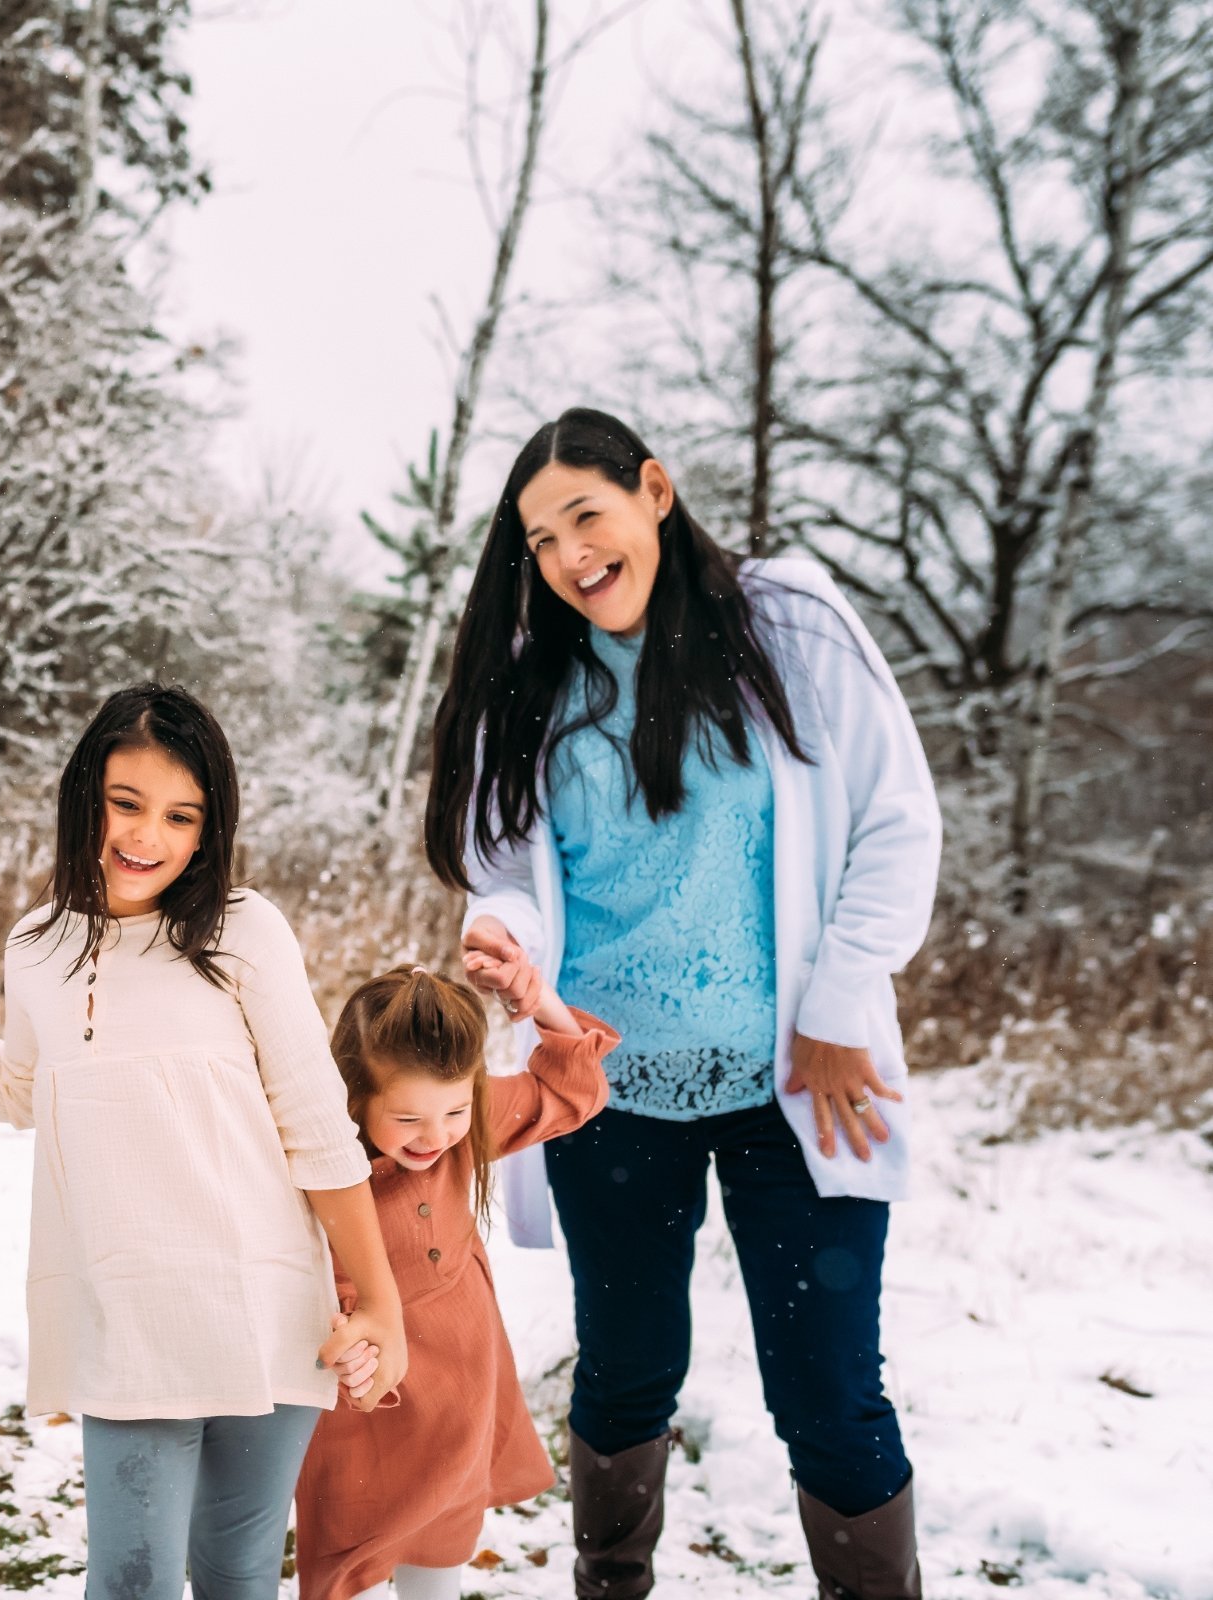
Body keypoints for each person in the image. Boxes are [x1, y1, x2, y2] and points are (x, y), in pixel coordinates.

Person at [423, 408, 943, 1599]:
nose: (568, 556)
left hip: (799, 1081)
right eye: (539, 538)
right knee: (623, 1366)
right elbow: (512, 868)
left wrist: (840, 999)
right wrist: (507, 937)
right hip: (607, 1084)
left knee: (826, 1382)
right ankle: (611, 1583)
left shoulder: (790, 624)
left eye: (586, 516)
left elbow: (895, 817)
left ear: (654, 490)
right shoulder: (529, 684)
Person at [0, 682, 407, 1600]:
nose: (146, 836)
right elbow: (23, 1087)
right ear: (84, 793)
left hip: (265, 1306)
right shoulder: (36, 946)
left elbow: (317, 1128)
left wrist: (379, 1305)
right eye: (125, 803)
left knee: (236, 1572)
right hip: (125, 1314)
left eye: (180, 816)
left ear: (208, 831)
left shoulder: (243, 932)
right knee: (129, 1581)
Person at [294, 949, 617, 1600]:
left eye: (452, 1113)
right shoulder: (311, 1160)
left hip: (458, 1377)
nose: (433, 1136)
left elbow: (569, 1092)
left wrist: (539, 1001)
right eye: (407, 1118)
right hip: (360, 1384)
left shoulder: (467, 1125)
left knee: (444, 1528)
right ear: (354, 1095)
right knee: (346, 1544)